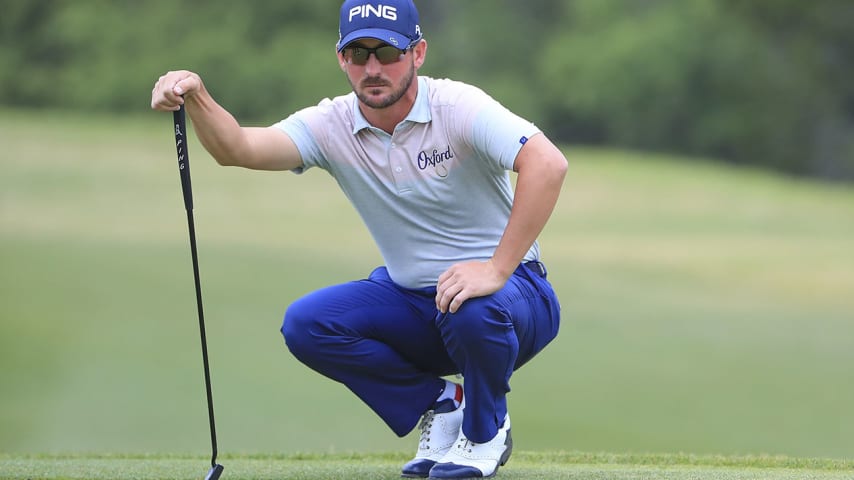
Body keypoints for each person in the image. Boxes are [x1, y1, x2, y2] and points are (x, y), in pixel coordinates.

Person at [151, 0, 566, 477]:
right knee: (308, 324)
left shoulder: (458, 107)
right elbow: (237, 148)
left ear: (418, 53)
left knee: (467, 304)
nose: (373, 68)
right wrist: (197, 93)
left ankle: (483, 431)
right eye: (358, 53)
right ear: (341, 59)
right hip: (418, 303)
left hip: (515, 299)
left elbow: (547, 163)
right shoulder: (332, 124)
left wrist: (495, 268)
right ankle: (443, 401)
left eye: (387, 53)